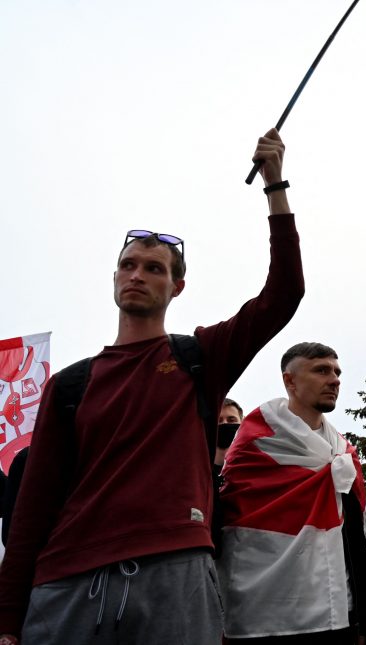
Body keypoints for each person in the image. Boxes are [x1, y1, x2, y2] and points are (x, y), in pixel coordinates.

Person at [0, 129, 304, 645]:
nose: (138, 274)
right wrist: (7, 623)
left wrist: (275, 186)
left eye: (155, 268)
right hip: (69, 581)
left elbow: (283, 293)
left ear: (176, 286)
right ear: (114, 278)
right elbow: (32, 509)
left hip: (175, 573)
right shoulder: (70, 384)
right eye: (129, 265)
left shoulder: (197, 358)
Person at [218, 342, 366, 644]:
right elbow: (228, 528)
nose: (334, 379)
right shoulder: (254, 446)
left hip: (336, 611)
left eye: (337, 372)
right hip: (264, 615)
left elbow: (356, 536)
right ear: (290, 380)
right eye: (321, 370)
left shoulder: (343, 454)